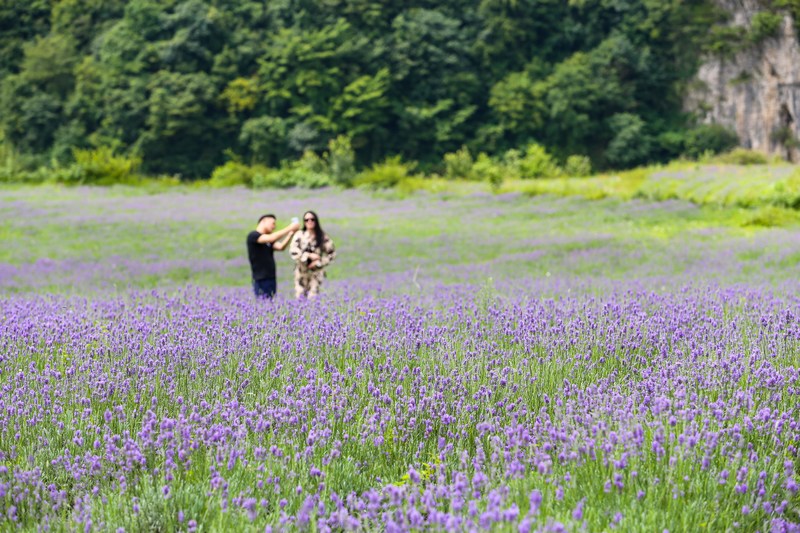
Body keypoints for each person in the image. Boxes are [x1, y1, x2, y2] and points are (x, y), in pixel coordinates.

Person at [246, 214, 300, 298]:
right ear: (263, 221)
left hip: (271, 277)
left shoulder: (268, 240)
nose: (274, 227)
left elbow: (281, 247)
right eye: (273, 223)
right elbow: (271, 238)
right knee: (263, 303)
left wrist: (290, 234)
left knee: (270, 301)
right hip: (261, 278)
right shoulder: (253, 235)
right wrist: (290, 227)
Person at [290, 210, 336, 299]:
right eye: (306, 220)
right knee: (300, 298)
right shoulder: (299, 235)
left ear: (316, 221)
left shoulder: (322, 236)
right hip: (301, 272)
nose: (309, 221)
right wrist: (308, 256)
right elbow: (293, 251)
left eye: (312, 219)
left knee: (314, 299)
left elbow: (332, 254)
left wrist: (319, 262)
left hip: (316, 273)